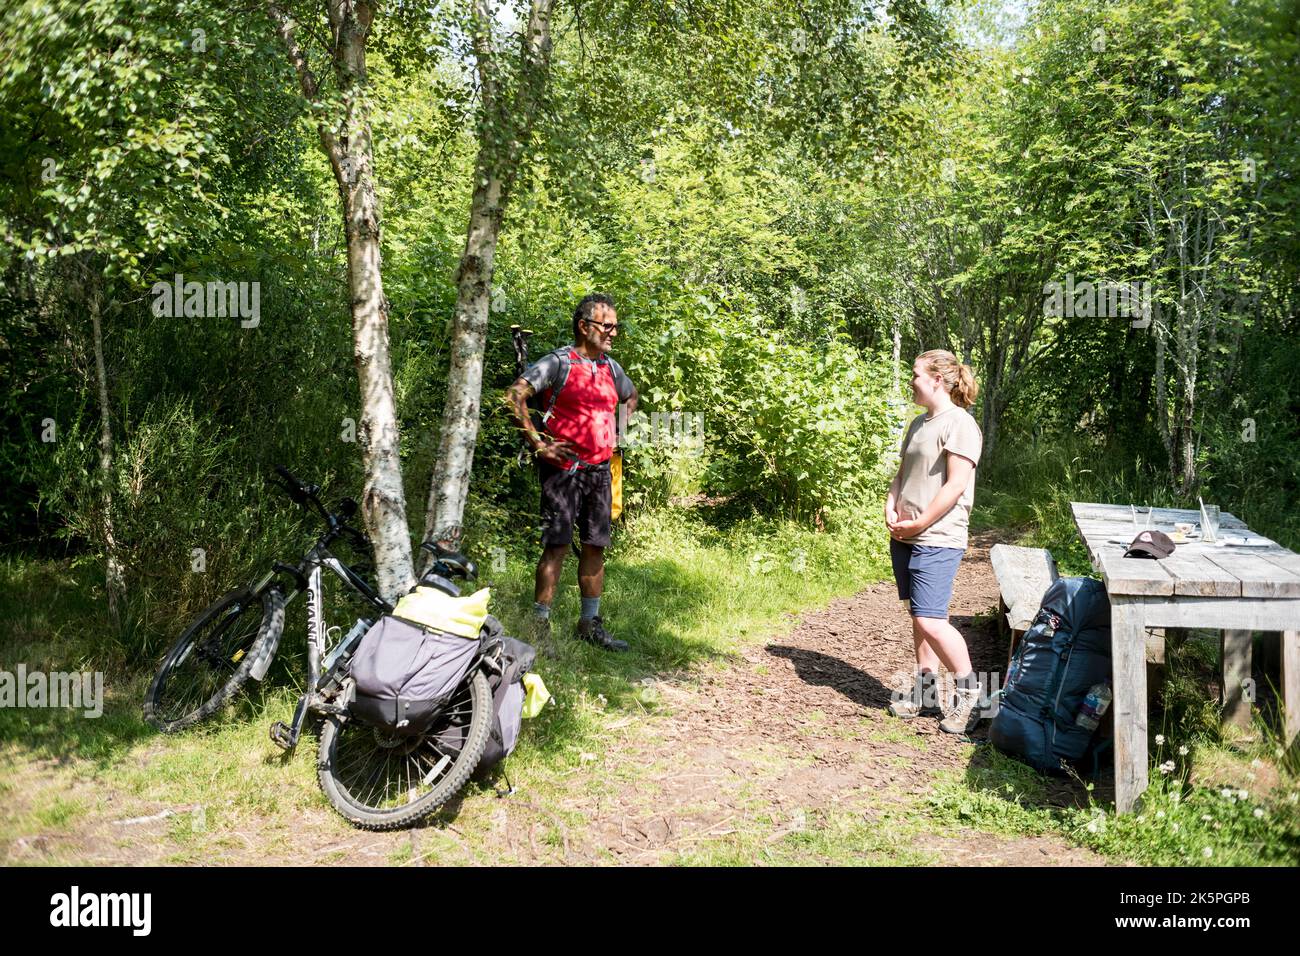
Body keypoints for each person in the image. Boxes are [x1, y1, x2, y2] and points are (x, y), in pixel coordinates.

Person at [506, 293, 639, 653]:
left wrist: (617, 434)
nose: (613, 333)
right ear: (585, 326)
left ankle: (589, 624)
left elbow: (630, 397)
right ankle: (539, 626)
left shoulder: (611, 368)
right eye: (607, 326)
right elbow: (515, 394)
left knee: (595, 547)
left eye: (615, 326)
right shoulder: (558, 363)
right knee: (557, 547)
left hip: (600, 472)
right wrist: (538, 444)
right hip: (563, 472)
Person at [884, 349, 984, 734]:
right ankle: (927, 692)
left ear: (937, 380)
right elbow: (903, 474)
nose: (911, 381)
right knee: (918, 615)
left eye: (916, 375)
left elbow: (956, 485)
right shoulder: (918, 424)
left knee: (931, 617)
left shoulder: (960, 424)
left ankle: (972, 695)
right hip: (906, 534)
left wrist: (921, 521)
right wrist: (890, 507)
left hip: (938, 536)